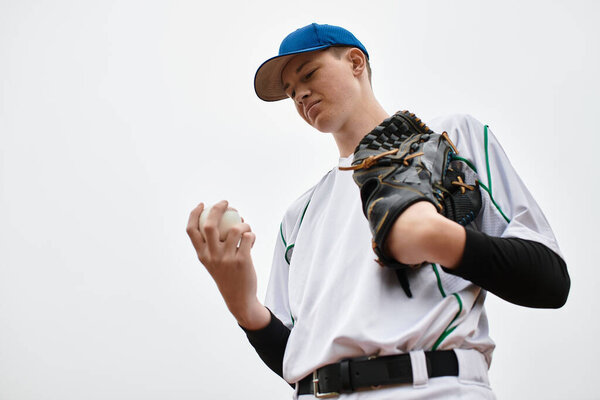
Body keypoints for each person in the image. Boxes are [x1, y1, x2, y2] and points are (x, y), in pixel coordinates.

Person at [186, 23, 570, 399]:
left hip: (432, 386)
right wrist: (244, 306)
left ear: (355, 62)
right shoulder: (298, 217)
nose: (300, 94)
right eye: (290, 92)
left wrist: (437, 239)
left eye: (309, 74)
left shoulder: (447, 137)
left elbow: (549, 278)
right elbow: (299, 359)